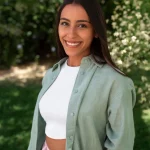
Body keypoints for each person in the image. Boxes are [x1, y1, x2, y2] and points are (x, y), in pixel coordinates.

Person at [27, 0, 136, 150]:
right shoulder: (51, 75)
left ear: (96, 31)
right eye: (65, 23)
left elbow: (121, 144)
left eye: (82, 25)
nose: (71, 34)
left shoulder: (115, 82)